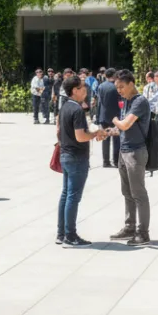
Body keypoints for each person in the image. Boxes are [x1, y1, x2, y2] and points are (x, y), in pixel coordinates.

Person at [56, 74, 108, 246]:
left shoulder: (64, 107)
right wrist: (96, 134)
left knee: (66, 194)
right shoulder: (77, 110)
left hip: (66, 155)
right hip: (77, 157)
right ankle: (70, 236)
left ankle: (61, 233)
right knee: (72, 196)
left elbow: (60, 132)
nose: (85, 90)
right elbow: (80, 137)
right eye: (82, 87)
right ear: (74, 90)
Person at [109, 70, 151, 246]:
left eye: (121, 87)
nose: (119, 90)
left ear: (131, 84)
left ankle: (143, 233)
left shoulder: (139, 101)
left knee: (138, 193)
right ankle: (129, 227)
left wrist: (114, 120)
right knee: (127, 192)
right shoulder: (127, 102)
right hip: (124, 151)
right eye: (117, 87)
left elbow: (125, 124)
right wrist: (110, 132)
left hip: (135, 152)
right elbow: (124, 128)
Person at [96, 68, 121, 168]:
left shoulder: (101, 86)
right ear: (114, 75)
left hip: (103, 115)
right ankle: (116, 161)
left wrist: (98, 116)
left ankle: (105, 161)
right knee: (116, 139)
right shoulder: (116, 86)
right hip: (115, 116)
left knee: (105, 138)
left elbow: (99, 102)